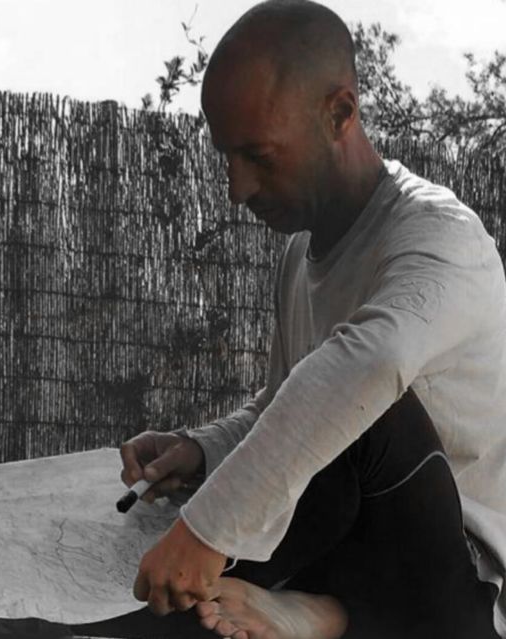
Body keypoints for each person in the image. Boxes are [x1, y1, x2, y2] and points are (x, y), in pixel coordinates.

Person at [120, 1, 506, 637]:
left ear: (340, 114)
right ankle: (326, 611)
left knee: (368, 401)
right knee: (182, 601)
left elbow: (366, 369)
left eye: (259, 156)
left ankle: (326, 612)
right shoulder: (300, 256)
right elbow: (282, 406)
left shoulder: (440, 237)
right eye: (227, 157)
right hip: (349, 555)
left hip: (458, 593)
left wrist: (208, 529)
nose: (237, 188)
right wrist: (202, 449)